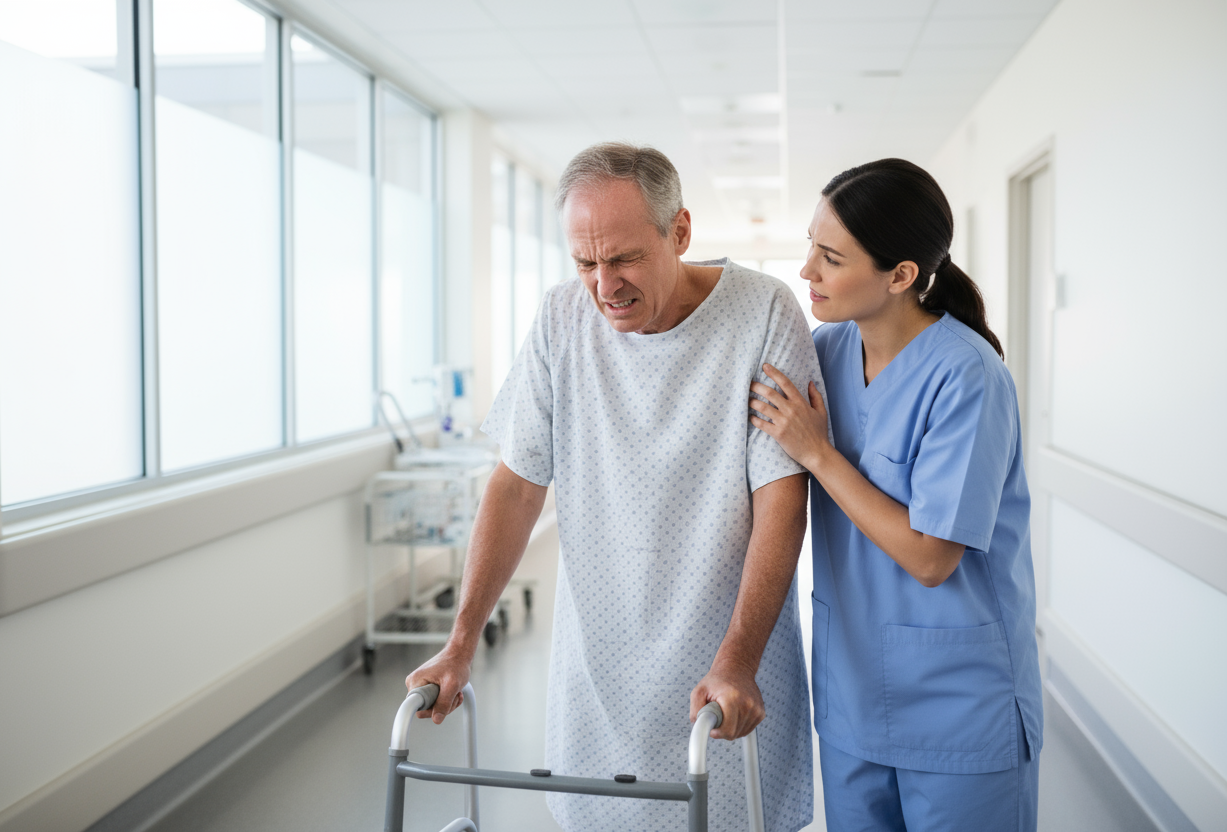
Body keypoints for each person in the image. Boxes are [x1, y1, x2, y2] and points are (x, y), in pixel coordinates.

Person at [406, 142, 824, 830]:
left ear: (680, 232)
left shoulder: (764, 312)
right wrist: (460, 641)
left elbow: (782, 499)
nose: (604, 285)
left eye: (624, 258)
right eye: (584, 262)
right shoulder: (560, 320)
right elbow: (515, 487)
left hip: (727, 667)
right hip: (597, 669)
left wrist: (739, 658)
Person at [749, 158, 1041, 832]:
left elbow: (932, 557)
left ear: (901, 275)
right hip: (854, 698)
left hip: (960, 706)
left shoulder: (968, 376)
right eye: (810, 249)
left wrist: (819, 452)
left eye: (830, 257)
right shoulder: (821, 351)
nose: (806, 273)